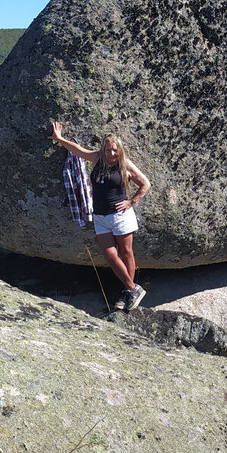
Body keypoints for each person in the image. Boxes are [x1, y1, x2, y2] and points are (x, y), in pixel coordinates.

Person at [50, 121, 150, 311]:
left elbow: (145, 183)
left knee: (126, 252)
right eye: (108, 150)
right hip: (100, 217)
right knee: (110, 255)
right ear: (103, 149)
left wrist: (132, 201)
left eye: (114, 150)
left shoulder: (125, 164)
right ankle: (133, 288)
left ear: (119, 150)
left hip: (120, 216)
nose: (111, 153)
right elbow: (78, 150)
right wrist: (60, 138)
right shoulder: (97, 159)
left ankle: (128, 292)